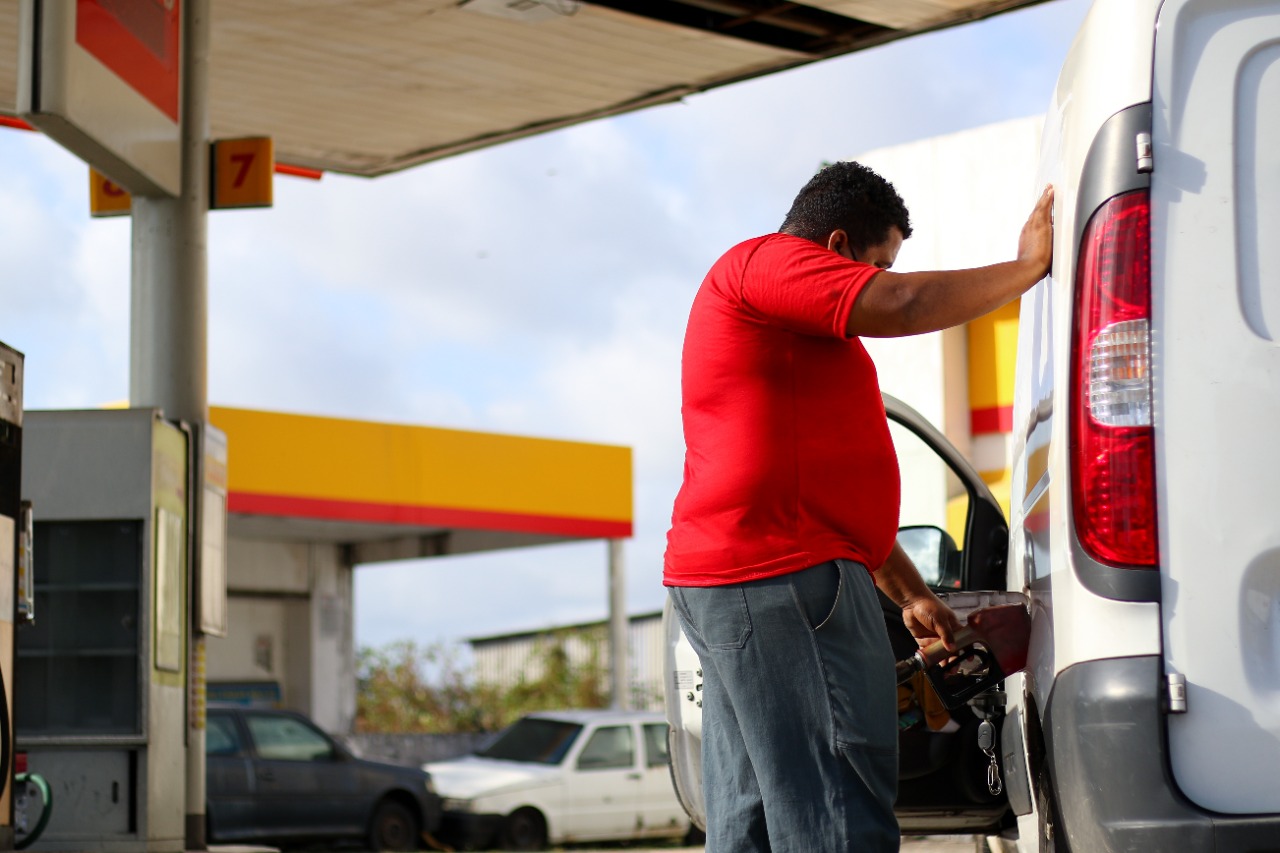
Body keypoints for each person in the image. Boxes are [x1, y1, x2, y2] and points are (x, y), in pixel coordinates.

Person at [663, 161, 1054, 852]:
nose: (875, 280)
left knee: (752, 818)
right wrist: (1027, 270)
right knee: (835, 813)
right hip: (778, 577)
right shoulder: (767, 263)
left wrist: (909, 593)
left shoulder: (788, 331)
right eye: (876, 263)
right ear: (837, 247)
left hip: (745, 576)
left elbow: (818, 487)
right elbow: (901, 304)